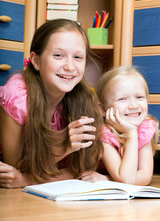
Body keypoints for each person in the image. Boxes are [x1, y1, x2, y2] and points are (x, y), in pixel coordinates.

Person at [0, 19, 103, 188]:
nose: (70, 66)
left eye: (78, 57)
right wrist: (65, 147)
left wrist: (26, 180)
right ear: (36, 61)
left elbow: (81, 170)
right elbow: (17, 167)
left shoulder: (84, 98)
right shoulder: (17, 97)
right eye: (58, 55)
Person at [80, 66, 159, 185]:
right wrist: (131, 135)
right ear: (102, 109)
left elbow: (144, 176)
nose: (133, 105)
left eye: (139, 97)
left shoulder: (144, 128)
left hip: (118, 177)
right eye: (122, 99)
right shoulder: (104, 133)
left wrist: (105, 179)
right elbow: (126, 179)